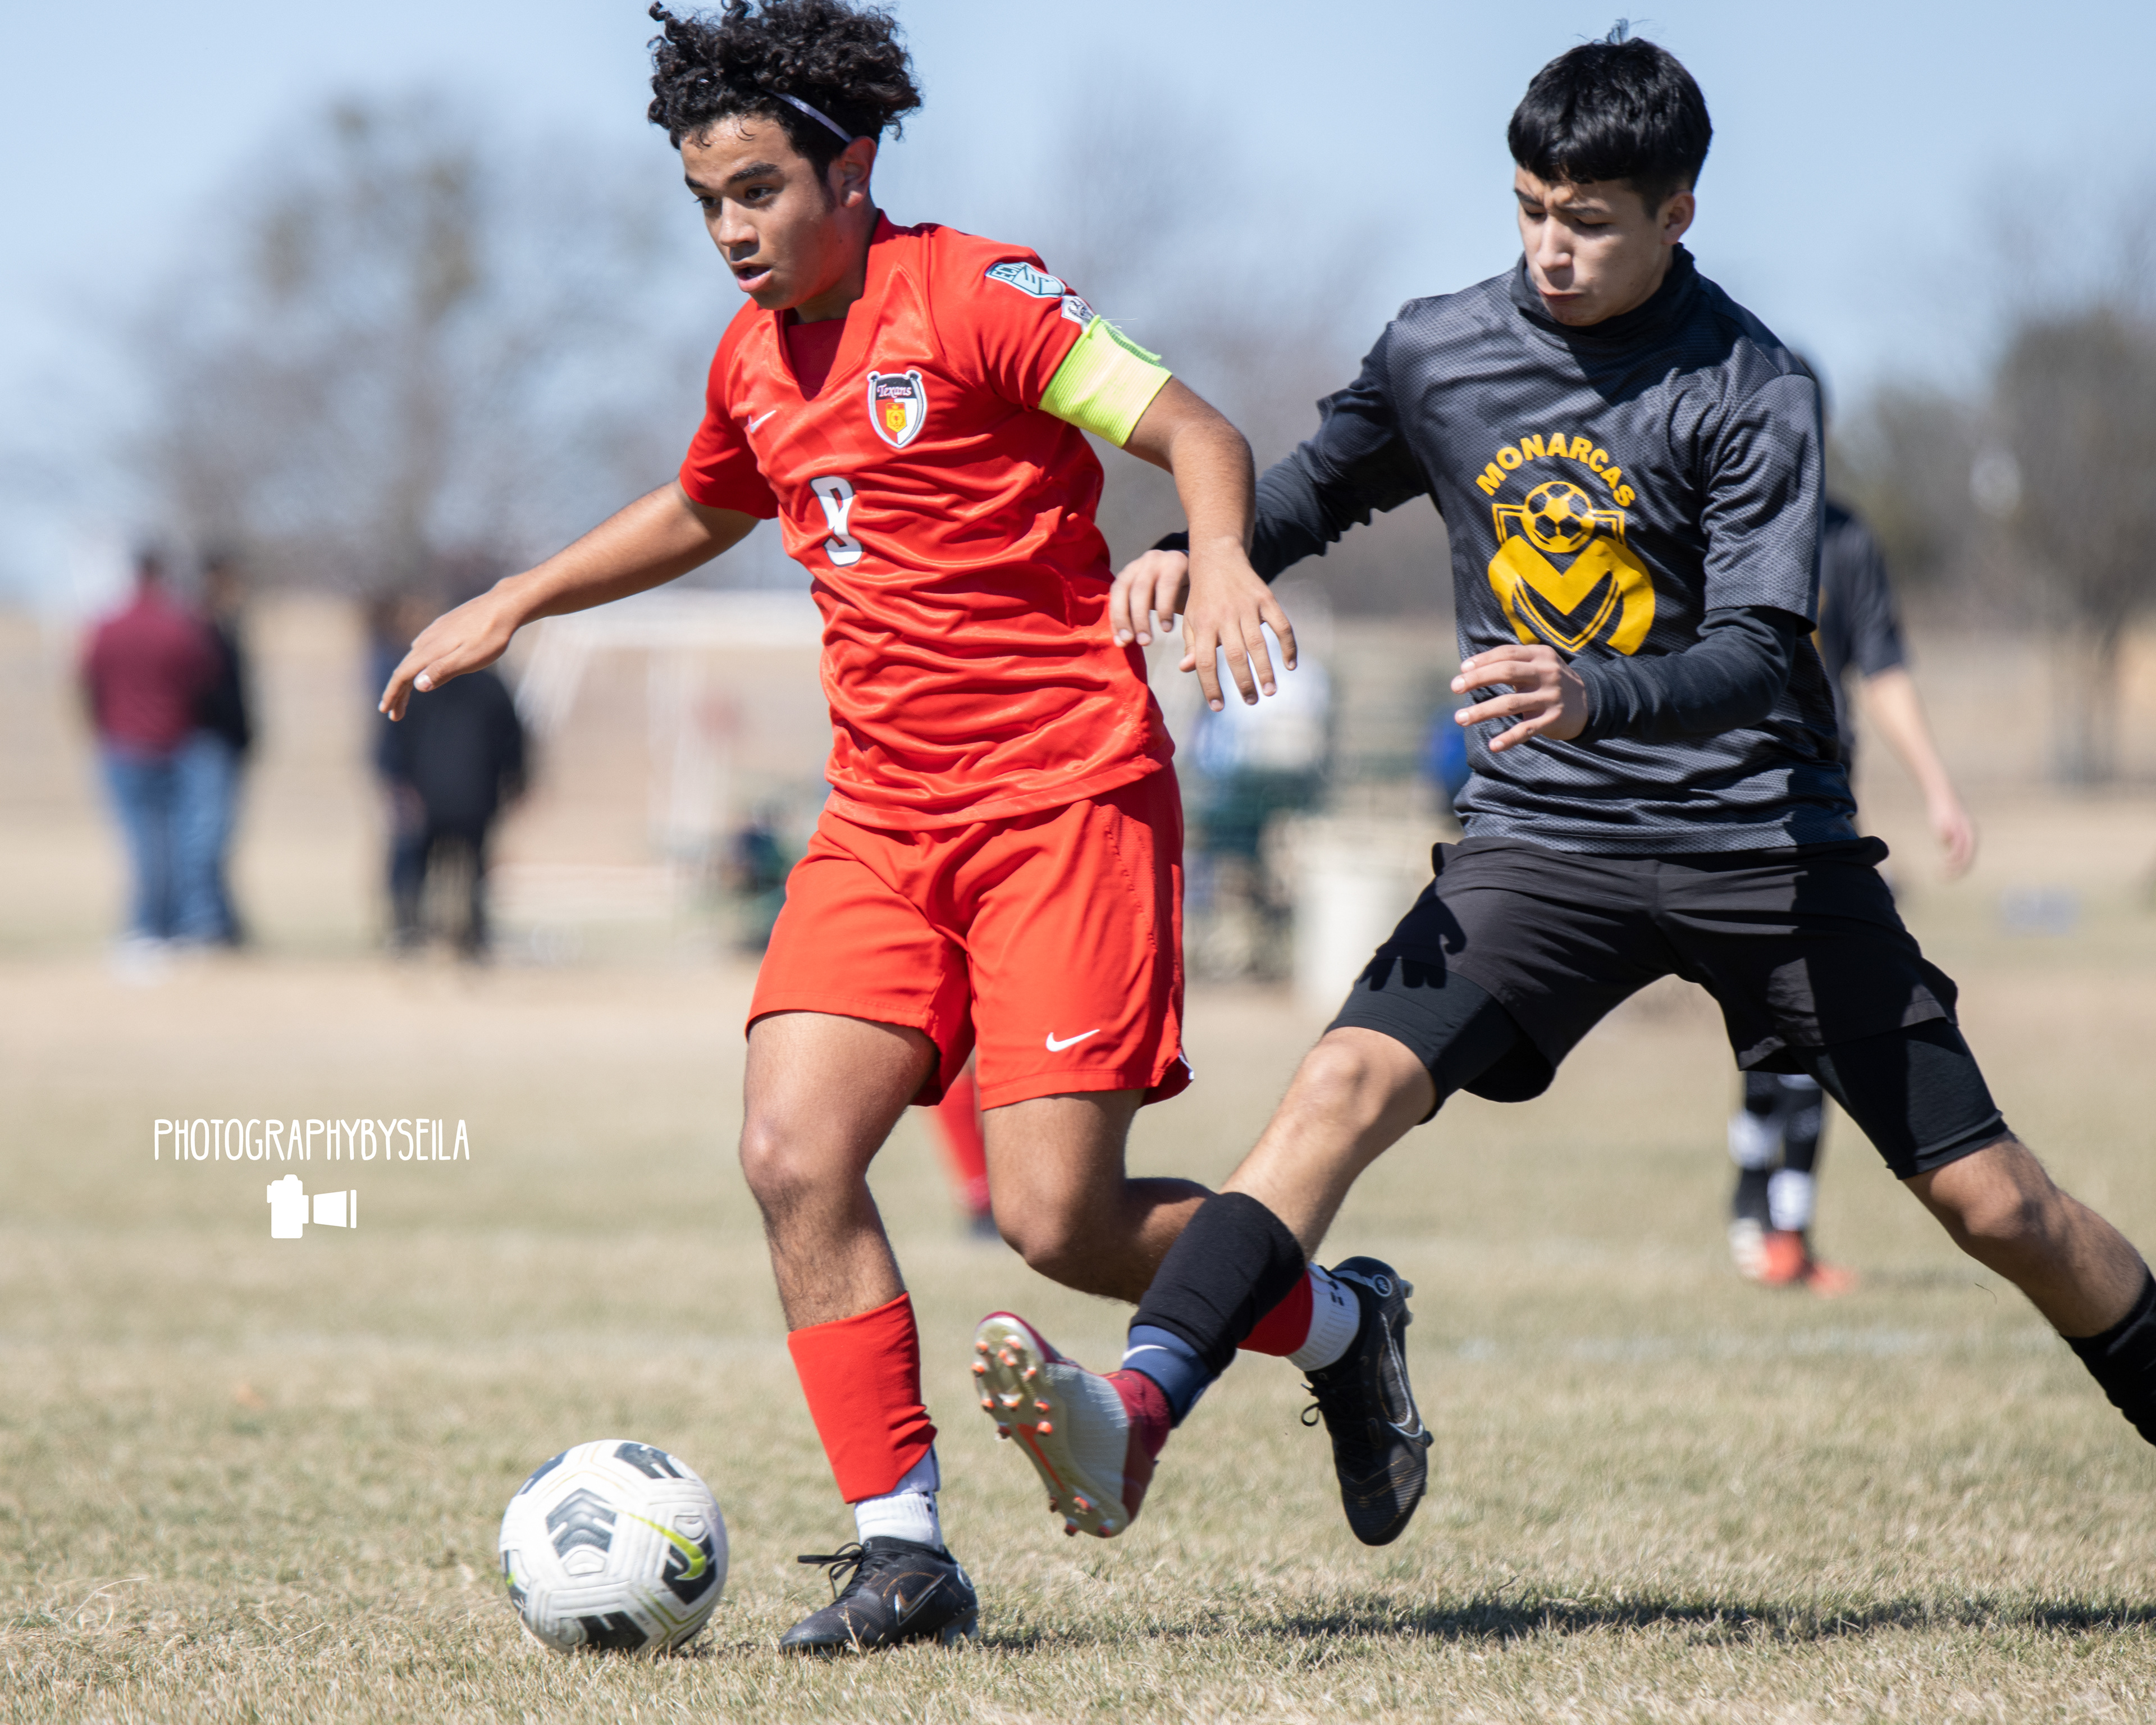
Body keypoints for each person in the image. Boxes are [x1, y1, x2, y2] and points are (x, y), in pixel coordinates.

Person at [971, 31, 2156, 1554]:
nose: (1549, 248)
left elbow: (1760, 648)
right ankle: (1136, 1411)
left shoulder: (1753, 386)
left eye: (1588, 220)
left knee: (1998, 1207)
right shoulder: (1439, 349)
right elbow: (1318, 484)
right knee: (1335, 1092)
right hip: (1544, 843)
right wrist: (1200, 549)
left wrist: (1595, 690)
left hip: (1759, 845)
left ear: (1676, 213)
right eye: (1530, 208)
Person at [378, 0, 1374, 1654]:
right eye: (705, 201)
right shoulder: (751, 356)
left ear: (848, 169)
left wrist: (1218, 554)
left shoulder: (975, 295)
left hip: (1061, 800)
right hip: (883, 819)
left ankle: (1338, 1326)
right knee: (789, 1152)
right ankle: (902, 1551)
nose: (729, 231)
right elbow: (707, 501)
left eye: (757, 191)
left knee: (1058, 1224)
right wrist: (524, 596)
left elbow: (1196, 430)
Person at [1726, 489, 1977, 1290]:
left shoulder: (1843, 539)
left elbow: (1883, 667)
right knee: (1780, 1020)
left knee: (1802, 1015)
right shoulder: (1712, 510)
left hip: (1814, 806)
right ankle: (1765, 1217)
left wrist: (1938, 789)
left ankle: (1772, 1224)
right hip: (1718, 808)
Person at [80, 549, 221, 946]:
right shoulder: (180, 626)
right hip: (175, 742)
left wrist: (101, 725)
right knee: (178, 840)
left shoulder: (109, 626)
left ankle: (147, 926)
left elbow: (88, 681)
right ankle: (176, 924)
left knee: (141, 840)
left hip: (123, 744)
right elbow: (205, 678)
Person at [380, 642, 526, 957]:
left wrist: (398, 783)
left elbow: (392, 738)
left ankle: (413, 932)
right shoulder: (491, 686)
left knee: (421, 866)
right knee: (471, 867)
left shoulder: (419, 688)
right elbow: (514, 742)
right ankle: (467, 935)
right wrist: (517, 782)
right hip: (475, 796)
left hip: (429, 796)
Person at [182, 550, 255, 946]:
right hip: (207, 741)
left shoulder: (227, 626)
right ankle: (204, 923)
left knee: (218, 837)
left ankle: (220, 920)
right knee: (205, 836)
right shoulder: (198, 628)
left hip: (226, 743)